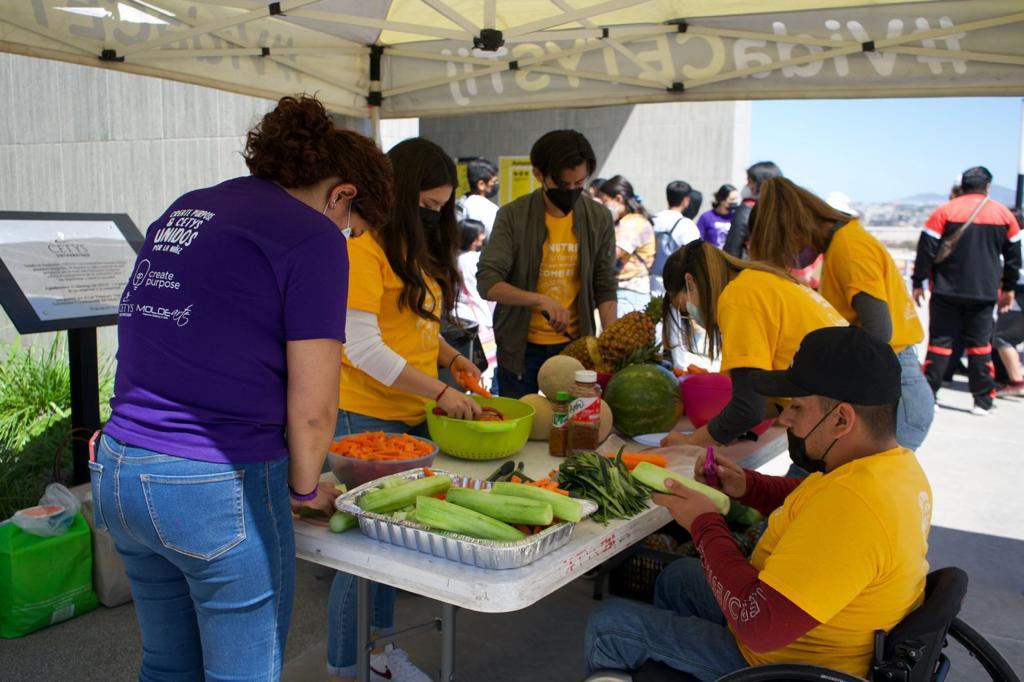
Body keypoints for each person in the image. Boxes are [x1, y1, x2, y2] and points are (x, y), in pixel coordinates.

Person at [90, 95, 392, 681]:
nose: (346, 241)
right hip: (214, 481)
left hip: (120, 468)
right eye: (352, 232)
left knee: (166, 665)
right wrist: (304, 490)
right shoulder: (313, 236)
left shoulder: (190, 207)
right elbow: (314, 407)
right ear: (342, 194)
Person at [584, 326, 932, 681]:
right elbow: (810, 499)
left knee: (609, 625)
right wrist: (747, 485)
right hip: (806, 634)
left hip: (785, 668)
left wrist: (704, 524)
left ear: (842, 419)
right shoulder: (894, 469)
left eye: (797, 407)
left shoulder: (856, 505)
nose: (785, 419)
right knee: (677, 579)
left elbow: (759, 628)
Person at [327, 137, 482, 682]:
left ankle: (379, 654)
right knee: (361, 553)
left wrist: (452, 360)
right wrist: (441, 391)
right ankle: (349, 666)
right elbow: (362, 348)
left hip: (410, 417)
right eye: (428, 205)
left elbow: (415, 327)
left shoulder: (411, 253)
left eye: (443, 208)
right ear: (397, 196)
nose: (436, 217)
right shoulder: (360, 254)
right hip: (367, 420)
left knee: (390, 546)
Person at [748, 177, 934, 450]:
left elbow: (878, 333)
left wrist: (809, 374)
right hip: (894, 383)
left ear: (795, 229)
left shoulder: (849, 247)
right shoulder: (842, 245)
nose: (791, 258)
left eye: (785, 248)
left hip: (896, 392)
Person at [659, 241, 848, 448]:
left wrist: (690, 442)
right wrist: (723, 427)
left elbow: (747, 408)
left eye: (685, 309)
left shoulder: (738, 298)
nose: (692, 318)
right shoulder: (759, 280)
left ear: (690, 282)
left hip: (839, 419)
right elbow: (768, 401)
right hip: (854, 409)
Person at [477, 130, 618, 398]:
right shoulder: (513, 216)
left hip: (575, 346)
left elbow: (605, 285)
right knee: (524, 427)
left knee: (573, 428)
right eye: (564, 185)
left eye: (580, 183)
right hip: (520, 349)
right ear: (538, 174)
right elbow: (488, 283)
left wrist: (611, 342)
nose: (573, 192)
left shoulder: (598, 217)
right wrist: (539, 300)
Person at [912, 166, 1022, 415]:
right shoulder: (1003, 214)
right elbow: (1014, 258)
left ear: (962, 185)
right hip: (984, 292)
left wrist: (919, 282)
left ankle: (930, 397)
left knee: (940, 344)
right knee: (980, 345)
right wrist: (1009, 289)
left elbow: (925, 250)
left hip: (945, 290)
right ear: (988, 187)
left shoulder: (944, 211)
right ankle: (982, 401)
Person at [599, 174, 657, 313]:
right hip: (628, 292)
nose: (602, 207)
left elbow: (610, 255)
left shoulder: (632, 223)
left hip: (628, 293)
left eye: (604, 202)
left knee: (620, 335)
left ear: (618, 199)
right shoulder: (627, 221)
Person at [456, 218, 497, 389]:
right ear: (473, 237)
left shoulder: (453, 257)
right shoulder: (475, 259)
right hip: (478, 317)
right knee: (483, 367)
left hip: (458, 316)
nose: (483, 236)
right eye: (481, 233)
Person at [650, 180, 701, 296]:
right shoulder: (686, 224)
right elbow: (694, 256)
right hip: (675, 281)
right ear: (686, 200)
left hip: (651, 278)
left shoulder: (653, 219)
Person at [723, 161, 783, 258]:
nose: (748, 186)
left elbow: (732, 251)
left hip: (751, 269)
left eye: (750, 181)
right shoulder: (785, 211)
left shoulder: (746, 209)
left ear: (762, 183)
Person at [459, 157, 500, 237]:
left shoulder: (459, 203)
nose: (496, 184)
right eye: (494, 182)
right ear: (481, 184)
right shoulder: (489, 209)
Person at [695, 184, 739, 249]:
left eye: (736, 199)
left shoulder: (736, 217)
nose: (735, 202)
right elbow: (698, 240)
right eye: (732, 199)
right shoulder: (706, 217)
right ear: (722, 200)